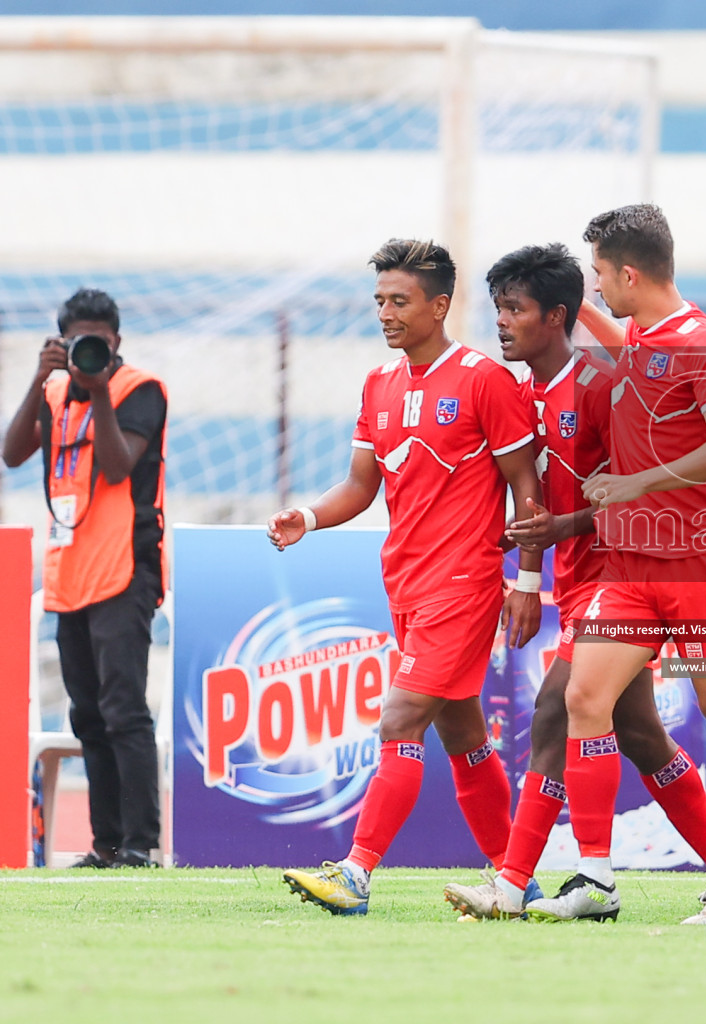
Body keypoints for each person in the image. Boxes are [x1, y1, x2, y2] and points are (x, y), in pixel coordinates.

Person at [443, 242, 706, 920]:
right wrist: (525, 576)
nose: (503, 322)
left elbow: (631, 494)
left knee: (557, 707)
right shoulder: (521, 395)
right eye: (498, 309)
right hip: (576, 577)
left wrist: (565, 530)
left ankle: (518, 884)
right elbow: (529, 502)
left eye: (514, 309)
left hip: (622, 573)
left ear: (556, 317)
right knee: (637, 734)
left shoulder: (604, 388)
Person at [271, 239, 544, 916]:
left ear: (439, 305)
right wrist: (308, 514)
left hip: (465, 582)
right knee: (464, 735)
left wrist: (527, 582)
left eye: (400, 301)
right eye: (380, 301)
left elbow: (527, 489)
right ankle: (518, 880)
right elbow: (360, 487)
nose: (386, 314)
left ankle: (355, 874)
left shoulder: (486, 380)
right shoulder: (379, 386)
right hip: (407, 583)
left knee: (400, 719)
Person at [535, 203, 706, 926]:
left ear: (631, 274)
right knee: (584, 698)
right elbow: (609, 329)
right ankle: (595, 878)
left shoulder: (702, 344)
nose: (596, 289)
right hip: (632, 570)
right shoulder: (643, 335)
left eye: (601, 275)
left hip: (700, 565)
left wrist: (638, 482)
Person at [2, 288, 167, 869]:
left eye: (99, 339)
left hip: (125, 569)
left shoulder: (138, 389)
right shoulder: (52, 391)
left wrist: (96, 390)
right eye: (77, 341)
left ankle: (140, 846)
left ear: (116, 340)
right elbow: (13, 452)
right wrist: (38, 378)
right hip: (71, 569)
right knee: (87, 713)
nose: (90, 349)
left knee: (124, 708)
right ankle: (106, 845)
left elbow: (119, 466)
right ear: (60, 339)